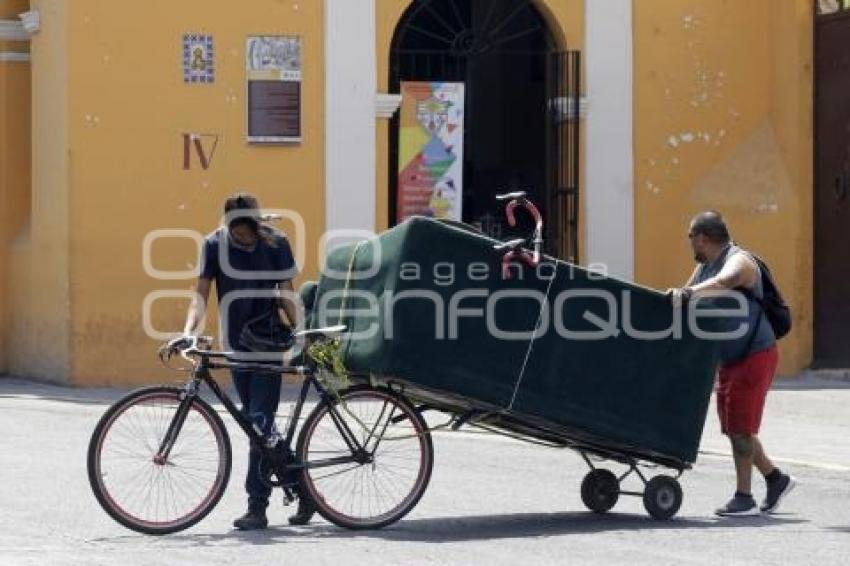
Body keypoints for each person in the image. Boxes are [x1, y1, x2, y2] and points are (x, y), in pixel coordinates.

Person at [175, 192, 315, 530]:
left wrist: (304, 334)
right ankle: (303, 488)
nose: (242, 236)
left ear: (257, 224)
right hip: (236, 344)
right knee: (258, 426)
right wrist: (189, 330)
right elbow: (201, 294)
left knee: (258, 422)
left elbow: (286, 294)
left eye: (247, 229)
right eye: (236, 230)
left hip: (267, 342)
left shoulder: (276, 243)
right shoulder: (213, 246)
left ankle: (257, 506)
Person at [669, 211, 796, 517]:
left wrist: (689, 293)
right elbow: (687, 300)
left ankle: (744, 497)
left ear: (703, 237)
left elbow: (727, 280)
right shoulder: (703, 267)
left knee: (741, 427)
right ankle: (776, 479)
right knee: (734, 426)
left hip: (755, 354)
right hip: (729, 357)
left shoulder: (740, 260)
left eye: (690, 236)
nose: (689, 243)